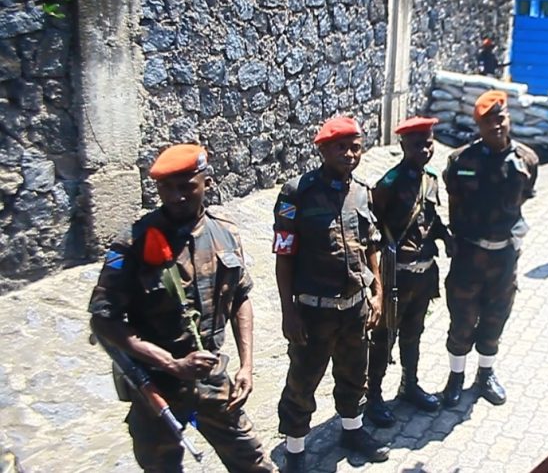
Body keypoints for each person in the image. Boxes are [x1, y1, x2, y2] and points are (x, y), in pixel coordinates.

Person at [88, 143, 274, 472]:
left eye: (186, 186)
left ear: (207, 182)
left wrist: (246, 365)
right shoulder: (131, 243)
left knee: (254, 462)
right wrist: (171, 363)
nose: (175, 196)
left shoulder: (225, 233)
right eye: (165, 188)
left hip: (212, 379)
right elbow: (104, 320)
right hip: (156, 385)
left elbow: (241, 297)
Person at [273, 117, 389, 471]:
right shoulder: (297, 193)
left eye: (355, 146)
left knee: (355, 374)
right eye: (340, 146)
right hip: (313, 312)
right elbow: (284, 254)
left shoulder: (362, 192)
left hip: (354, 307)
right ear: (322, 149)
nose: (349, 153)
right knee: (303, 382)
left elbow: (371, 247)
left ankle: (351, 431)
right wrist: (288, 312)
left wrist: (377, 292)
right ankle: (295, 450)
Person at [441, 90, 539, 407]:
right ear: (478, 126)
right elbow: (454, 203)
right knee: (462, 319)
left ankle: (485, 375)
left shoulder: (527, 160)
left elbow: (523, 200)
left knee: (496, 317)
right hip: (469, 255)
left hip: (504, 255)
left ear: (507, 118)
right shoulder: (461, 161)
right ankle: (456, 377)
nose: (495, 126)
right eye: (487, 121)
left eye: (500, 118)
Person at [365, 116, 451, 427]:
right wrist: (376, 283)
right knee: (383, 337)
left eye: (429, 143)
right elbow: (372, 232)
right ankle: (372, 396)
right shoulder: (389, 184)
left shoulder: (431, 179)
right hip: (396, 275)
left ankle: (409, 385)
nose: (426, 149)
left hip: (424, 274)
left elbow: (430, 218)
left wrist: (445, 236)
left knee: (414, 334)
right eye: (418, 145)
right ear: (403, 146)